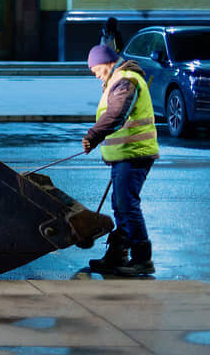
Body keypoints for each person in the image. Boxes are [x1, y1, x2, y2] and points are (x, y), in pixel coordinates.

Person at [82, 44, 159, 276]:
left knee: (127, 205)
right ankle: (117, 256)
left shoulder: (126, 80)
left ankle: (142, 258)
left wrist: (93, 135)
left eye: (94, 68)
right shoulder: (115, 80)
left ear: (105, 62)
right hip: (124, 155)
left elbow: (116, 114)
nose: (94, 73)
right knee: (120, 205)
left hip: (135, 153)